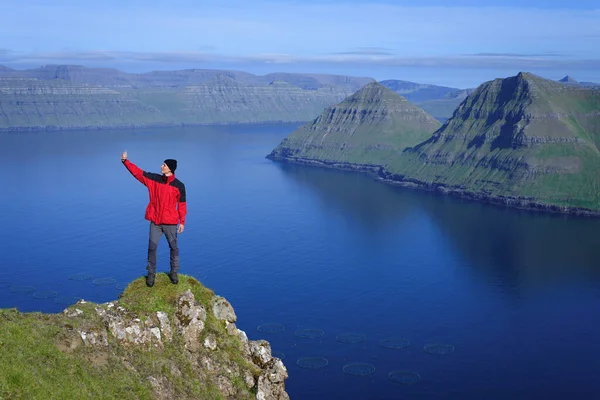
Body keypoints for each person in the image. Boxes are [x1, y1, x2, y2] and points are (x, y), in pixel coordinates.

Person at [121, 151, 187, 287]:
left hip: (170, 222)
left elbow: (182, 205)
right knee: (152, 248)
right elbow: (138, 173)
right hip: (155, 222)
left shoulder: (179, 186)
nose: (161, 166)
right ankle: (151, 275)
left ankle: (174, 273)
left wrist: (182, 222)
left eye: (164, 165)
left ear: (170, 168)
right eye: (162, 164)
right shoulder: (153, 179)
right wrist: (125, 162)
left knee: (174, 248)